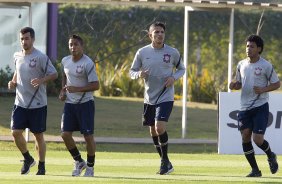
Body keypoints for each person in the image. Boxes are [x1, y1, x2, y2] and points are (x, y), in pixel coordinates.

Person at [130, 22, 185, 175]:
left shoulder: (172, 52)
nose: (159, 35)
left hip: (165, 96)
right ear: (150, 35)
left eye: (162, 32)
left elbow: (182, 69)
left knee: (159, 127)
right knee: (153, 132)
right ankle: (167, 163)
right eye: (156, 32)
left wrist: (173, 78)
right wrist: (138, 74)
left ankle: (164, 162)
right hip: (149, 97)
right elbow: (132, 71)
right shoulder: (142, 52)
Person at [8, 27, 58, 175]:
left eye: (27, 38)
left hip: (38, 104)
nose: (24, 41)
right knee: (15, 133)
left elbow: (54, 74)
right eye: (22, 39)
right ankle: (28, 159)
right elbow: (17, 72)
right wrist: (12, 82)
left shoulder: (40, 57)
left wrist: (42, 79)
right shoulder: (17, 55)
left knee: (38, 136)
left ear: (33, 39)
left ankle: (41, 165)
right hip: (20, 103)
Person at [229, 34, 280, 177]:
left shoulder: (266, 65)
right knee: (245, 136)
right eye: (247, 46)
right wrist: (234, 85)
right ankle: (255, 170)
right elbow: (238, 83)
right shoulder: (241, 64)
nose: (248, 49)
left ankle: (271, 155)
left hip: (260, 106)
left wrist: (264, 89)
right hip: (244, 107)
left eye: (251, 46)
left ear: (259, 49)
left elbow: (277, 83)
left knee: (257, 139)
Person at [59, 34, 99, 177]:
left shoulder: (88, 63)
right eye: (71, 44)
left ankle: (90, 167)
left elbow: (96, 85)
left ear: (82, 47)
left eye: (76, 44)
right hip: (70, 104)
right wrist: (63, 91)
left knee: (88, 136)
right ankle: (78, 161)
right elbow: (64, 75)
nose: (73, 47)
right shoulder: (65, 61)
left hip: (85, 104)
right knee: (65, 134)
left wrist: (77, 89)